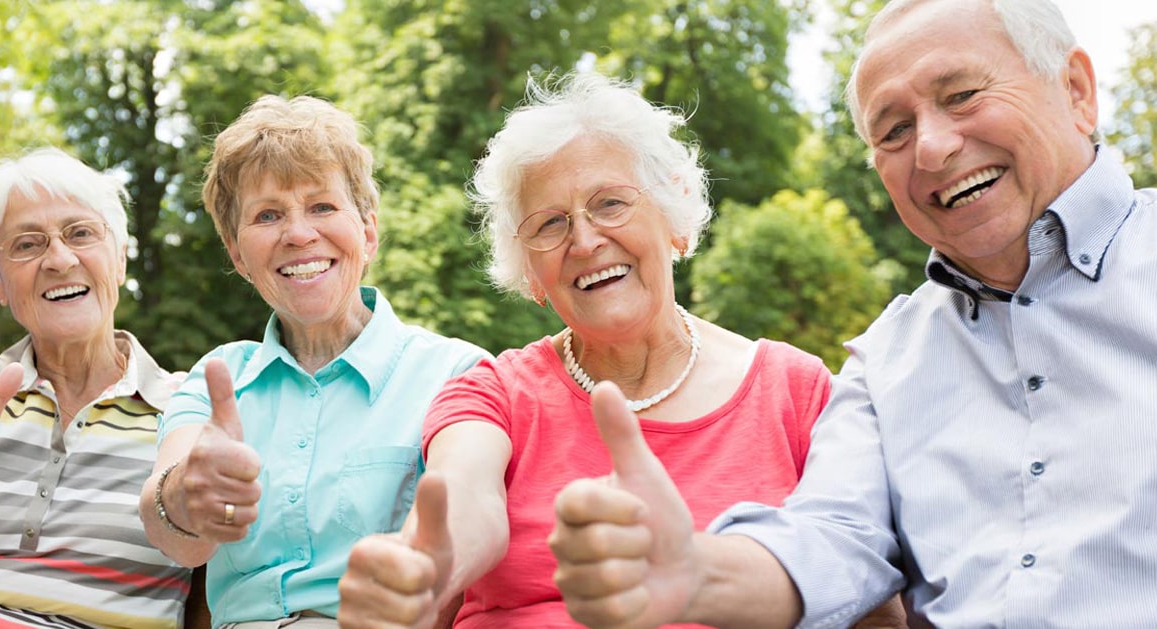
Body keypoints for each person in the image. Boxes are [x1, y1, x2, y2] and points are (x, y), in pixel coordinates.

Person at [547, 0, 1157, 626]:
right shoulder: (883, 361)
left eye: (963, 94)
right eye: (893, 131)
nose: (933, 149)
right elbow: (831, 540)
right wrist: (694, 572)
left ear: (1077, 91)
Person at [335, 71, 862, 629]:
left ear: (675, 219)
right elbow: (467, 505)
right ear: (532, 275)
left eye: (610, 203)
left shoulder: (796, 389)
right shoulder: (494, 393)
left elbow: (861, 589)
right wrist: (427, 564)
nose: (584, 241)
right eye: (550, 224)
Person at [137, 95, 490, 628]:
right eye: (268, 215)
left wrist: (420, 570)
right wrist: (188, 494)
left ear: (368, 233)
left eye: (322, 207)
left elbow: (472, 509)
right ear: (237, 254)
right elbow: (174, 534)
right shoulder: (219, 378)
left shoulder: (455, 373)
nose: (299, 234)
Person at [0, 147, 193, 628]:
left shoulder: (186, 404)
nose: (60, 259)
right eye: (27, 245)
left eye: (81, 233)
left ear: (119, 261)